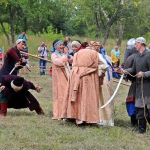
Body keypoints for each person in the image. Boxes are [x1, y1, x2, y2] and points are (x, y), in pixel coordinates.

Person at [61, 41, 109, 125]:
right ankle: (85, 118)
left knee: (76, 96)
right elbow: (105, 65)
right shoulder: (96, 54)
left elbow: (74, 63)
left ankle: (72, 116)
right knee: (86, 97)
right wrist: (101, 73)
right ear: (96, 48)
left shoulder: (78, 53)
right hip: (88, 76)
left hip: (75, 75)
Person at [123, 37, 150, 133]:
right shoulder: (137, 56)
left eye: (136, 44)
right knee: (139, 107)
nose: (134, 46)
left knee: (148, 108)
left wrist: (144, 74)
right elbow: (133, 69)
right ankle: (142, 129)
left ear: (141, 44)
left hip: (147, 86)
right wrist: (124, 71)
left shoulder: (148, 55)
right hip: (139, 86)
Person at [51, 39, 73, 120]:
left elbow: (71, 60)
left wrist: (68, 56)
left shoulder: (63, 54)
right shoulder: (54, 55)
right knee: (61, 95)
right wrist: (65, 57)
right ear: (56, 46)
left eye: (62, 45)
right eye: (60, 45)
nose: (62, 46)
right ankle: (60, 114)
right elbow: (59, 62)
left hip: (67, 76)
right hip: (59, 77)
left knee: (67, 94)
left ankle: (67, 113)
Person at [123, 38, 138, 127]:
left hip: (137, 84)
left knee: (132, 102)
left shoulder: (132, 58)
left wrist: (125, 73)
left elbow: (128, 73)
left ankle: (135, 124)